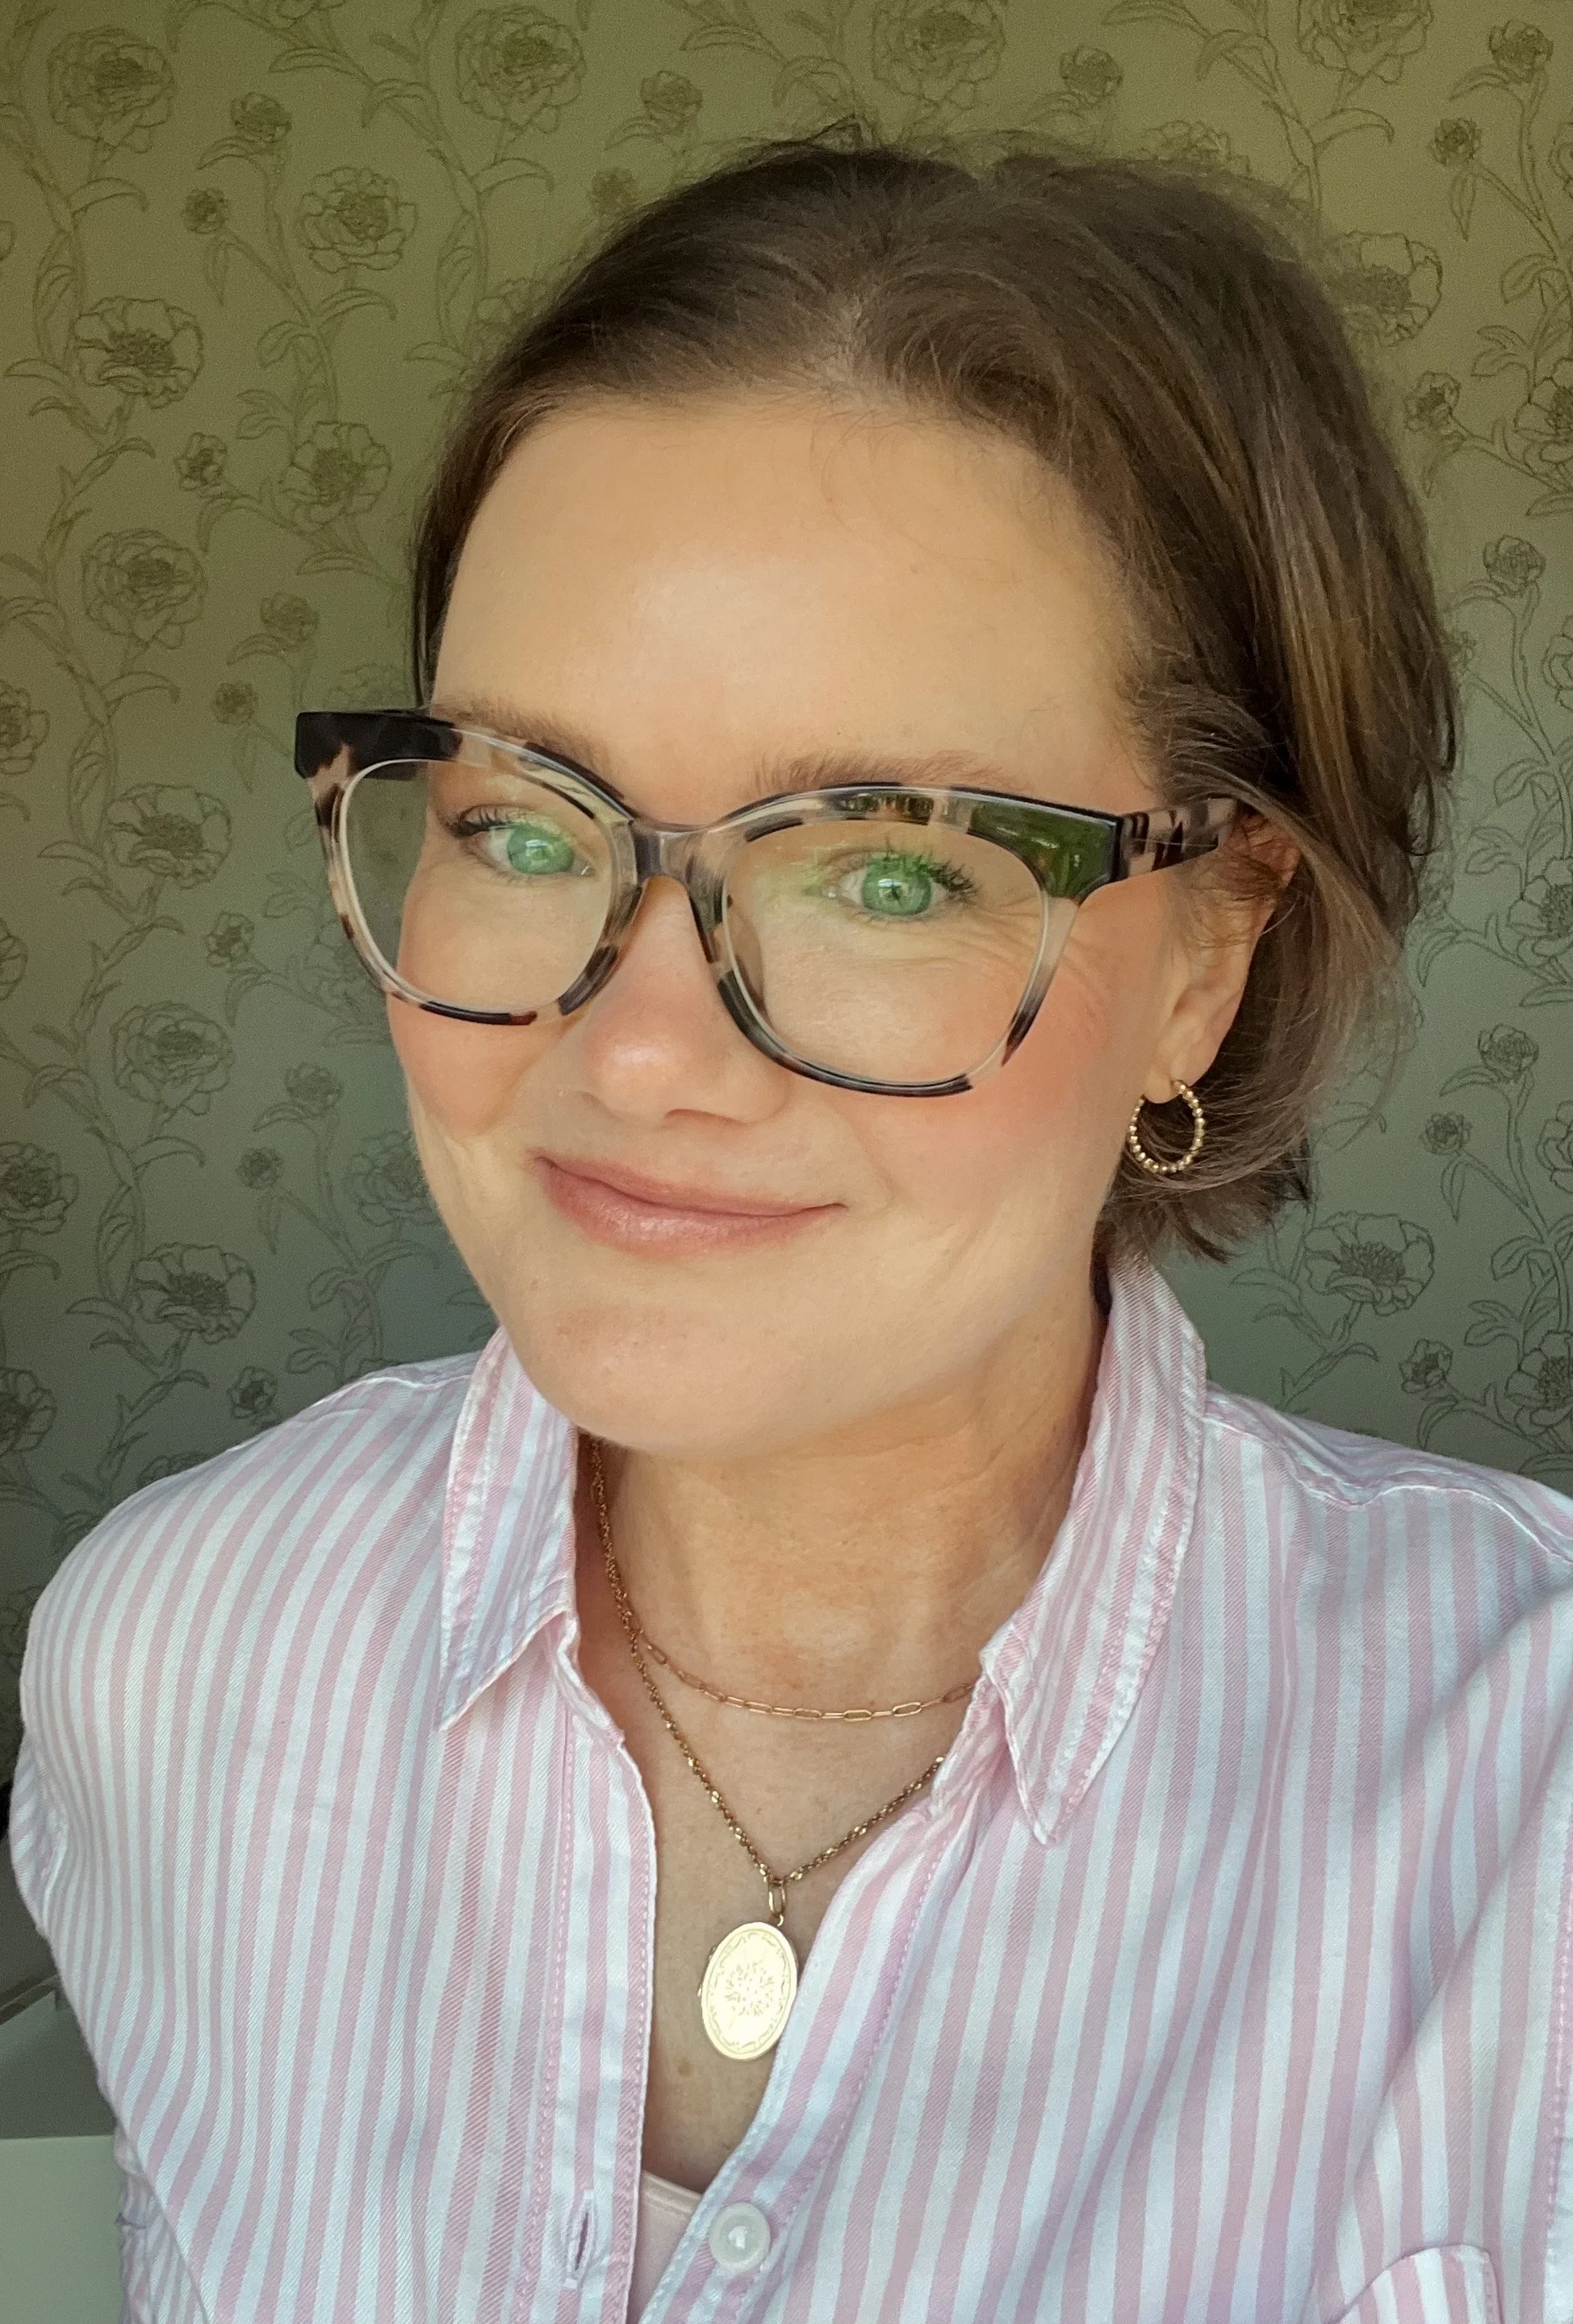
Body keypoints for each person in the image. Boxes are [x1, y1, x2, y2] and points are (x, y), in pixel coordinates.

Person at [9, 131, 1572, 2324]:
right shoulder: (167, 1663)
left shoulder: (1526, 1819)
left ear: (1210, 954)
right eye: (518, 820)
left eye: (892, 866)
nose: (635, 1052)